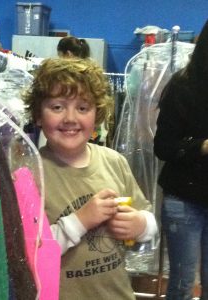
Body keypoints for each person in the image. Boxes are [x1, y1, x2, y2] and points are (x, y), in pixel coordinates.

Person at [23, 57, 157, 300]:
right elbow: (29, 252)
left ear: (96, 115)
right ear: (38, 115)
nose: (71, 118)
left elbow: (149, 221)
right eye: (57, 107)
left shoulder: (114, 162)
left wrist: (140, 225)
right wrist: (80, 221)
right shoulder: (29, 173)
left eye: (83, 108)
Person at [154, 19, 208, 300]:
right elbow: (162, 146)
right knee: (183, 283)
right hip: (184, 197)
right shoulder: (183, 85)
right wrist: (201, 147)